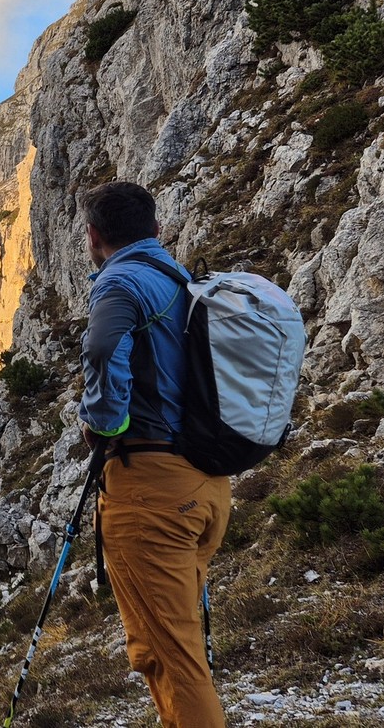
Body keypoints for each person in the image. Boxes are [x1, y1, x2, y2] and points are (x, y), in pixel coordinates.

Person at [79, 181, 231, 728]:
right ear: (157, 229)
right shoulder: (179, 278)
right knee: (174, 643)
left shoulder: (119, 281)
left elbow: (101, 348)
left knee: (172, 658)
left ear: (93, 236)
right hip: (205, 483)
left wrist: (105, 423)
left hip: (153, 490)